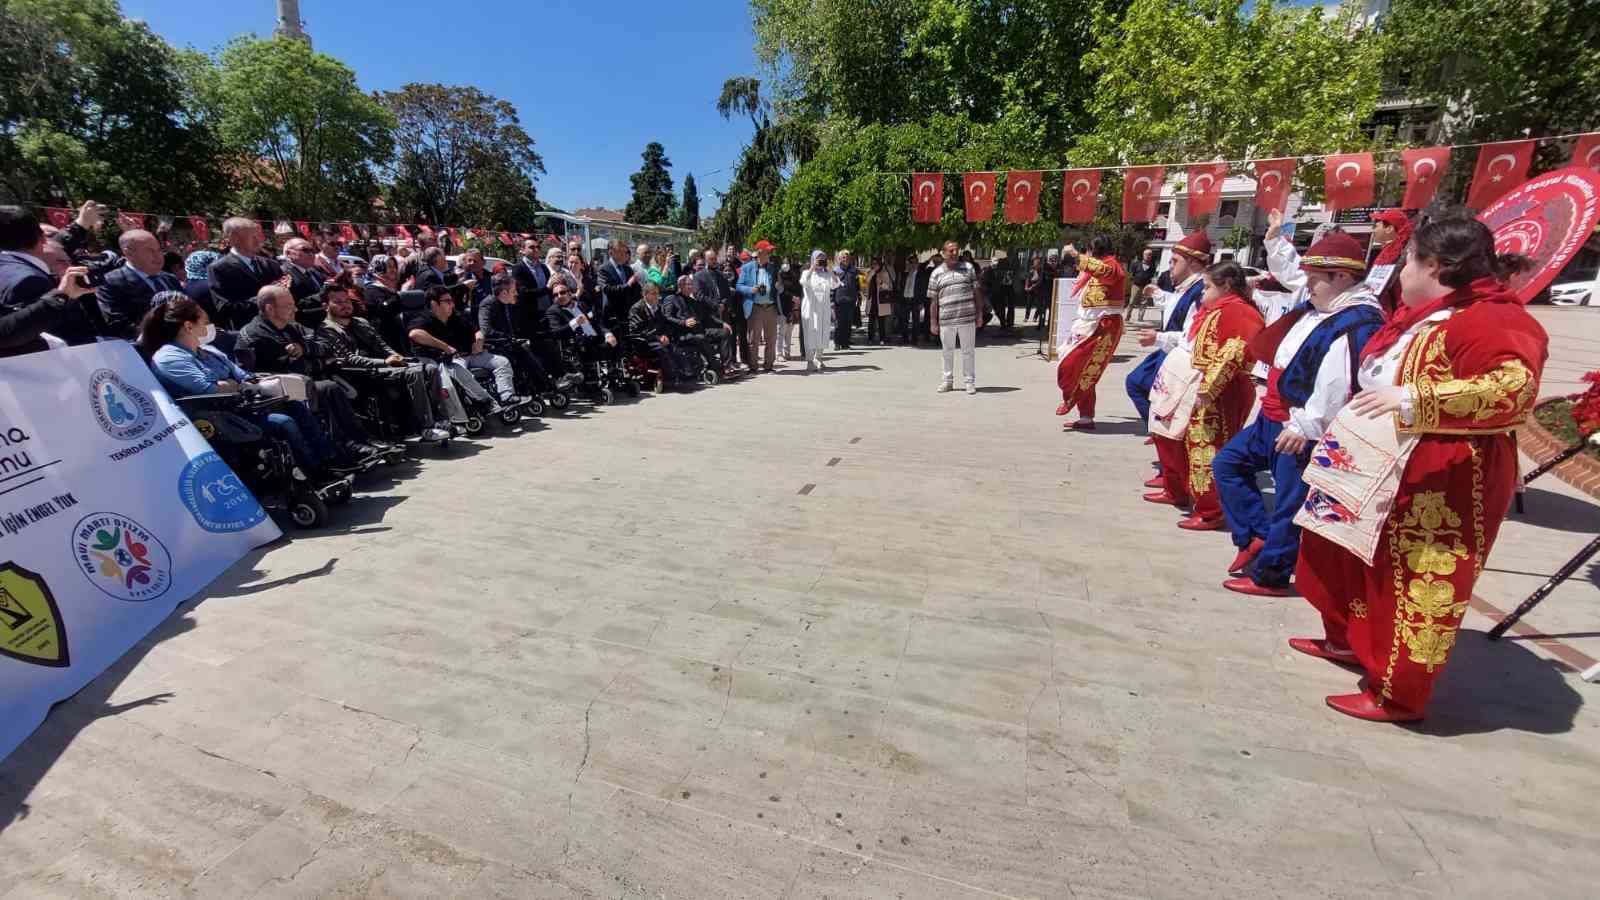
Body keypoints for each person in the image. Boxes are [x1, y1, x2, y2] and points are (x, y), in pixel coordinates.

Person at [1291, 215, 1545, 723]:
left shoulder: (1493, 319)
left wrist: (1415, 398)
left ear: (1435, 266)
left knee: (1414, 576)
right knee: (1340, 553)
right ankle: (1348, 639)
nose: (1401, 271)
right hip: (1374, 461)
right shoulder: (1425, 315)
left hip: (1442, 475)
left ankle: (1398, 691)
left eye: (1408, 260)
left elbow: (1513, 389)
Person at [1214, 223, 1384, 597]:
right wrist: (1275, 239)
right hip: (1272, 415)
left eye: (1316, 278)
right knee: (1227, 464)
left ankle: (1273, 574)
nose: (1307, 284)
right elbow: (1292, 274)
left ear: (1342, 277)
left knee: (1290, 504)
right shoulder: (1324, 303)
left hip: (1298, 425)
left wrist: (1306, 426)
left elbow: (1337, 382)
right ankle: (1256, 535)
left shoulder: (1356, 319)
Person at [140, 294, 348, 479]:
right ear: (188, 326)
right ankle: (313, 474)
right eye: (204, 322)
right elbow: (209, 390)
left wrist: (233, 384)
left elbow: (244, 377)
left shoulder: (209, 350)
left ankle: (328, 461)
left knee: (296, 406)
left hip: (242, 407)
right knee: (283, 422)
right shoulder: (169, 357)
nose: (208, 326)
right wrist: (231, 385)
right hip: (214, 417)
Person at [1144, 261, 1264, 530]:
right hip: (1203, 383)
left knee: (1208, 446)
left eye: (1208, 287)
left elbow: (1234, 352)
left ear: (1226, 286)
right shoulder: (1220, 308)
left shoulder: (1239, 311)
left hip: (1223, 391)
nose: (1202, 292)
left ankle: (1212, 510)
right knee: (1184, 439)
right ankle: (1187, 494)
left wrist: (1209, 388)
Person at [236, 285, 391, 461]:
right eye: (289, 305)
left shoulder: (289, 327)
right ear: (270, 309)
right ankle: (345, 447)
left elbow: (325, 347)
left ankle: (363, 439)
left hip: (305, 380)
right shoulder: (254, 335)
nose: (295, 309)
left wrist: (304, 349)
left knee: (331, 386)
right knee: (326, 388)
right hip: (277, 392)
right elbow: (261, 372)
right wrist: (310, 359)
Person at [316, 281, 457, 441]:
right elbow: (349, 359)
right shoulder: (326, 330)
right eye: (338, 302)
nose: (345, 305)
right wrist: (385, 362)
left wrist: (396, 357)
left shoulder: (361, 322)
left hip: (384, 366)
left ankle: (442, 421)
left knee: (429, 368)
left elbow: (382, 345)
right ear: (325, 306)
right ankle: (426, 427)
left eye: (347, 301)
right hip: (360, 373)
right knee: (414, 372)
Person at [1126, 231, 1211, 424]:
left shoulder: (1201, 291)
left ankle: (1163, 429)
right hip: (1168, 351)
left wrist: (1158, 338)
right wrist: (1159, 295)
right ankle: (1157, 427)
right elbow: (1178, 305)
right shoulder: (1188, 286)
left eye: (1175, 261)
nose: (1170, 266)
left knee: (1154, 394)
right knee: (1136, 382)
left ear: (1193, 263)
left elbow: (1193, 335)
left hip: (1180, 357)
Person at [408, 285, 525, 412]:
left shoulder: (455, 317)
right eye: (447, 301)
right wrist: (445, 347)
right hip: (451, 360)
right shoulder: (423, 319)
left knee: (501, 362)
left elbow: (477, 331)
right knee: (460, 371)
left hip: (471, 354)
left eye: (451, 301)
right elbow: (415, 334)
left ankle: (506, 396)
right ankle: (486, 402)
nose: (452, 304)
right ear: (434, 304)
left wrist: (478, 341)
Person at [0, 205, 106, 345]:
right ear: (43, 239)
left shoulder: (7, 265)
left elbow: (59, 243)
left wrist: (81, 223)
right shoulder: (29, 281)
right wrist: (62, 295)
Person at [1053, 236, 1127, 430]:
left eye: (1088, 251)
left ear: (1095, 251)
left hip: (1103, 326)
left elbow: (1103, 270)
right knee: (1083, 370)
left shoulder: (1112, 266)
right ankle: (1086, 417)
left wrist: (1075, 254)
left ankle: (1071, 398)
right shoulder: (1095, 270)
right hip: (1087, 325)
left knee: (1072, 367)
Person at [477, 270, 563, 397]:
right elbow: (486, 330)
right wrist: (508, 337)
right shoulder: (488, 304)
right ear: (504, 293)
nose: (516, 293)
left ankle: (558, 378)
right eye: (513, 291)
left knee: (545, 343)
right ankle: (544, 387)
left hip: (513, 340)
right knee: (523, 351)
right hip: (497, 346)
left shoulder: (509, 304)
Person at [97, 229, 182, 339]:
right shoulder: (111, 282)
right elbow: (118, 323)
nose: (158, 256)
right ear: (129, 253)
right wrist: (161, 336)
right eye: (149, 251)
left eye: (159, 250)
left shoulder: (169, 278)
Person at [209, 218, 285, 331]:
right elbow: (225, 308)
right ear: (234, 239)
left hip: (281, 327)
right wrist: (264, 298)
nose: (258, 240)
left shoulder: (271, 264)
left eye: (258, 235)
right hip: (250, 331)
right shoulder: (220, 269)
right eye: (252, 236)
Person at [928, 240, 979, 394]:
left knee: (968, 351)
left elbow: (977, 292)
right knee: (947, 351)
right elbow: (933, 301)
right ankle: (947, 381)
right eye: (951, 251)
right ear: (944, 253)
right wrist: (933, 322)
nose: (955, 253)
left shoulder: (968, 268)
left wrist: (979, 314)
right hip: (946, 320)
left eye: (956, 250)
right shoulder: (936, 273)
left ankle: (969, 382)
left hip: (967, 318)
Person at [628, 280, 687, 389]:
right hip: (643, 342)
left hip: (658, 339)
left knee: (675, 347)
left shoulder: (658, 307)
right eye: (654, 293)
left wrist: (665, 335)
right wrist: (658, 337)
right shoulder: (637, 308)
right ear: (645, 294)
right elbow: (638, 330)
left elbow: (665, 324)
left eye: (658, 293)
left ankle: (681, 373)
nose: (657, 296)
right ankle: (671, 377)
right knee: (663, 349)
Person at [736, 239, 781, 372]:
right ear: (760, 252)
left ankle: (768, 365)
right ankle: (753, 366)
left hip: (770, 307)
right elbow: (739, 286)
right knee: (753, 340)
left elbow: (778, 287)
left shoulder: (773, 268)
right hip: (755, 307)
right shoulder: (747, 267)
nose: (770, 254)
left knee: (771, 339)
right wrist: (751, 290)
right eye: (768, 251)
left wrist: (779, 286)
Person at [694, 248, 739, 370]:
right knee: (722, 334)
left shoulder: (720, 275)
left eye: (715, 258)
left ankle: (730, 362)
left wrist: (723, 303)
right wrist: (715, 305)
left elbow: (727, 293)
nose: (714, 261)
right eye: (711, 259)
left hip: (723, 312)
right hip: (709, 314)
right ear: (705, 260)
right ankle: (723, 364)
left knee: (729, 334)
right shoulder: (699, 276)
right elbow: (699, 295)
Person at [1366, 208, 1414, 315]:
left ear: (1389, 229)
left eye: (1376, 226)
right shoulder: (1394, 251)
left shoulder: (1394, 254)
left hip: (1391, 310)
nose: (1373, 231)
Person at [799, 251, 839, 373]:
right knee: (810, 333)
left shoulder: (826, 274)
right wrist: (812, 267)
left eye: (822, 259)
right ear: (813, 259)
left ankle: (819, 357)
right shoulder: (806, 272)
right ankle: (810, 361)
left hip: (824, 308)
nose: (820, 261)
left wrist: (830, 271)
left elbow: (836, 284)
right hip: (810, 308)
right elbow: (803, 281)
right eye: (818, 259)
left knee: (822, 332)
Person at [596, 238, 640, 339]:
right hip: (613, 316)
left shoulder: (627, 269)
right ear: (611, 253)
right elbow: (607, 289)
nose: (624, 254)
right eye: (620, 252)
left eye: (625, 251)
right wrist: (627, 285)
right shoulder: (604, 269)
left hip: (628, 315)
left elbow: (636, 290)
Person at [280, 237, 327, 325]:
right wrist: (321, 295)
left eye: (313, 250)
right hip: (305, 324)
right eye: (305, 250)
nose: (311, 254)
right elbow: (292, 304)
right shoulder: (283, 273)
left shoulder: (315, 271)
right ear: (289, 253)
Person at [832, 250, 860, 350]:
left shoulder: (854, 270)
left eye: (847, 257)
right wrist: (832, 301)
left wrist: (858, 297)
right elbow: (832, 286)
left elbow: (857, 286)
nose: (846, 259)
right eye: (843, 257)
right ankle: (837, 343)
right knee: (839, 323)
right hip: (839, 300)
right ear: (840, 259)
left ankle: (845, 343)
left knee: (848, 323)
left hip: (851, 300)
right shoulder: (835, 271)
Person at [1023, 255, 1049, 326]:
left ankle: (1035, 317)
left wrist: (1032, 287)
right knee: (1028, 304)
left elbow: (1040, 281)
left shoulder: (1041, 271)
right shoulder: (1031, 270)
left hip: (1038, 288)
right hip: (1031, 288)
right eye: (1035, 263)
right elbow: (1028, 278)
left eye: (1038, 263)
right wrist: (1026, 286)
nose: (1036, 264)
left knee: (1039, 305)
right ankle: (1026, 317)